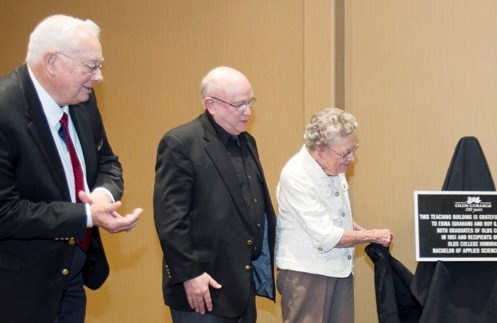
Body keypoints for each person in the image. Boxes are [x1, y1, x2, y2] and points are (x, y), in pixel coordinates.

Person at [0, 14, 142, 322]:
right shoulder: (4, 111)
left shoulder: (82, 101)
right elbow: (4, 212)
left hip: (72, 275)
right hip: (19, 288)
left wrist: (102, 194)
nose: (99, 77)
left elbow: (108, 162)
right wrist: (87, 215)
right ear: (51, 61)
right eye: (91, 66)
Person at [154, 66, 276, 323]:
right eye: (239, 105)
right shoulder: (181, 143)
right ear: (211, 104)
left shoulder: (247, 141)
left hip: (241, 283)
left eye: (250, 102)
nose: (248, 112)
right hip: (202, 286)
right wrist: (190, 274)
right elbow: (170, 220)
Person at [275, 107, 393, 323]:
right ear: (320, 149)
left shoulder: (332, 165)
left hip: (338, 270)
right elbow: (326, 236)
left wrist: (357, 228)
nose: (352, 158)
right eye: (345, 153)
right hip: (307, 274)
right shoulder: (296, 176)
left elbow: (330, 217)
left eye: (353, 149)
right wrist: (371, 236)